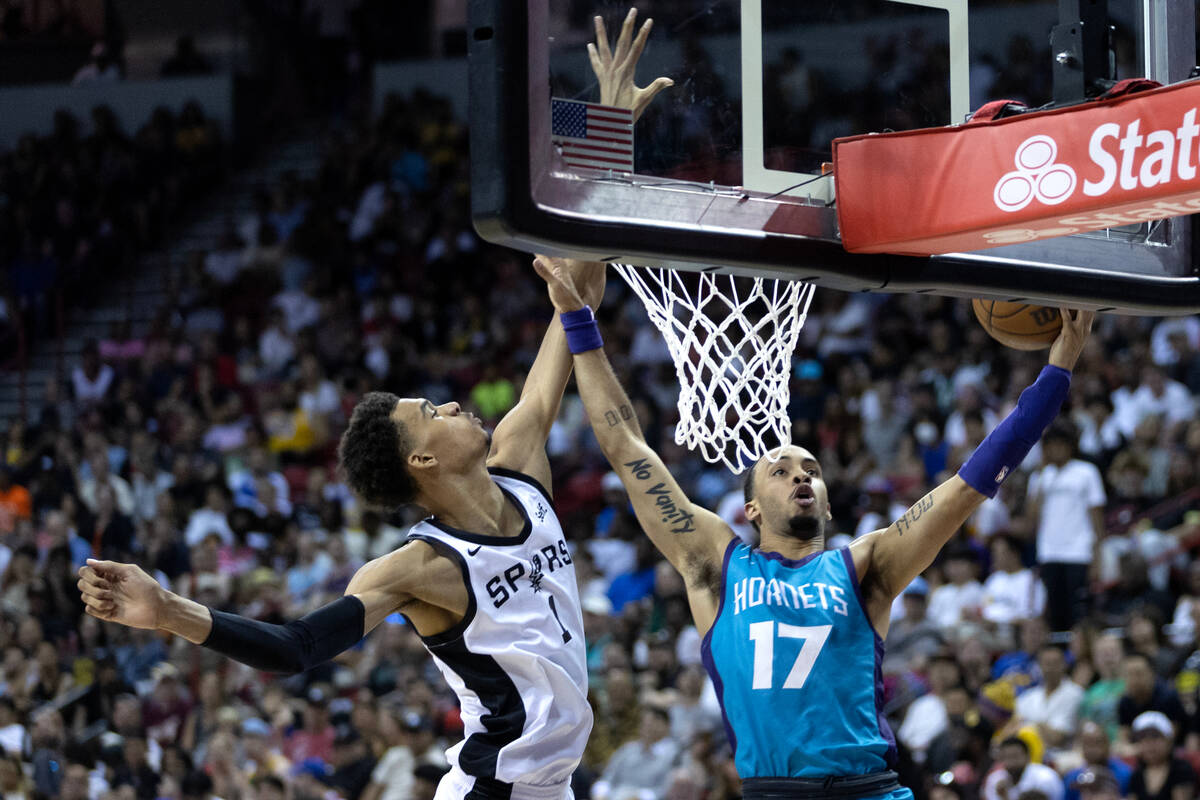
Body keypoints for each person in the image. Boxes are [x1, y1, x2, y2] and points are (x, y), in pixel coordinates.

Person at [533, 244, 1094, 798]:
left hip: (868, 790)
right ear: (749, 509)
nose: (801, 476)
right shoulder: (717, 565)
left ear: (827, 503)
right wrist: (578, 321)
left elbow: (972, 481)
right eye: (779, 471)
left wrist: (1057, 374)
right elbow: (627, 447)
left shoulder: (866, 565)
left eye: (813, 470)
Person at [74, 264, 628, 794]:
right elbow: (296, 647)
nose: (455, 404)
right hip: (491, 789)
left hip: (553, 789)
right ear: (422, 462)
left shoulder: (523, 469)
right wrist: (168, 610)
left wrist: (582, 262)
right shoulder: (421, 567)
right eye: (433, 413)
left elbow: (565, 325)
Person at [1027, 420, 1105, 631]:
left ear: (1070, 446)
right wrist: (1042, 475)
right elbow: (1031, 518)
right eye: (1051, 445)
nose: (1056, 449)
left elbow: (1097, 516)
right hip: (1050, 553)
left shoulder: (1087, 472)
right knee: (1054, 613)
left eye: (1061, 444)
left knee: (1078, 613)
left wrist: (1098, 556)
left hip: (1078, 552)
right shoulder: (1040, 476)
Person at [982, 737, 1064, 800]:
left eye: (1015, 756)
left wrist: (1005, 797)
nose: (1011, 763)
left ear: (1028, 756)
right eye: (1005, 757)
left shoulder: (1045, 778)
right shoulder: (995, 779)